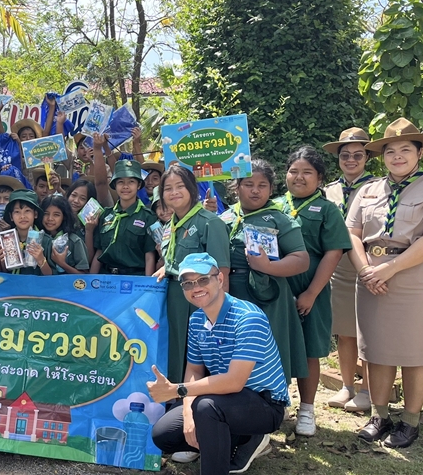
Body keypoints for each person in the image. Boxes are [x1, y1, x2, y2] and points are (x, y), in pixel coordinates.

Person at [148, 253, 289, 475]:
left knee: (207, 407)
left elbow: (234, 381)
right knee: (164, 435)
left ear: (220, 279)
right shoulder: (197, 320)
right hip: (227, 402)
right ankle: (240, 439)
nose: (196, 287)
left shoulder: (248, 318)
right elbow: (195, 371)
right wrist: (187, 414)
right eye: (188, 283)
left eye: (203, 279)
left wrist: (177, 391)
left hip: (264, 403)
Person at [347, 118, 423, 449]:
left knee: (416, 351)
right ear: (382, 156)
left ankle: (410, 421)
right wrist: (367, 269)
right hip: (372, 278)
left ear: (420, 152)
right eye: (390, 151)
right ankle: (380, 416)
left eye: (405, 149)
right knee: (376, 349)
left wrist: (390, 269)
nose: (397, 156)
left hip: (416, 277)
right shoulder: (368, 190)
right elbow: (351, 233)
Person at [276, 147, 352, 436]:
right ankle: (279, 401)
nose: (299, 177)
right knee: (277, 348)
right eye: (294, 171)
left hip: (311, 291)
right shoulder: (275, 205)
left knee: (309, 351)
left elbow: (333, 253)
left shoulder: (328, 210)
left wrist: (310, 293)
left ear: (320, 178)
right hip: (277, 292)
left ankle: (306, 409)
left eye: (307, 172)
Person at [220, 159, 309, 383]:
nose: (255, 190)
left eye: (262, 185)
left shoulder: (279, 219)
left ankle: (273, 400)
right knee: (234, 348)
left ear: (271, 188)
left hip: (268, 295)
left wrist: (268, 266)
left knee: (268, 346)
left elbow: (301, 259)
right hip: (231, 294)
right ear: (237, 187)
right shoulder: (225, 217)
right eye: (249, 184)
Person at [154, 164, 231, 390]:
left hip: (200, 305)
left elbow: (221, 272)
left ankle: (196, 404)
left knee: (199, 357)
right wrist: (164, 268)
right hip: (175, 304)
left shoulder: (209, 222)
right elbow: (175, 260)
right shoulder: (171, 226)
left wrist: (217, 316)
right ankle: (177, 403)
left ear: (191, 189)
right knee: (178, 352)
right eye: (168, 188)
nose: (174, 192)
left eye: (180, 186)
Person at [322, 127, 377, 412]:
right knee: (345, 332)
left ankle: (368, 390)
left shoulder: (380, 187)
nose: (351, 160)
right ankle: (347, 386)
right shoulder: (329, 190)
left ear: (367, 157)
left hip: (370, 266)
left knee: (368, 331)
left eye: (358, 155)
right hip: (339, 269)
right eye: (345, 155)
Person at [91, 159, 158, 276]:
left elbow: (149, 256)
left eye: (131, 181)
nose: (125, 186)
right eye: (120, 182)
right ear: (115, 185)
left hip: (134, 279)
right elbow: (99, 252)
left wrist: (148, 286)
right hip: (106, 279)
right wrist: (91, 280)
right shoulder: (105, 214)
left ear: (139, 185)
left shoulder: (148, 217)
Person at [0, 189, 52, 276]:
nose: (22, 216)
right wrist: (4, 262)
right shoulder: (7, 239)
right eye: (17, 212)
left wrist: (41, 260)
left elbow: (52, 277)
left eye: (27, 211)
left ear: (35, 214)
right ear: (11, 216)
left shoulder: (46, 241)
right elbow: (5, 273)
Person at [40, 193, 89, 274]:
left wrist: (62, 264)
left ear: (64, 217)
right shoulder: (39, 238)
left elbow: (84, 275)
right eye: (46, 213)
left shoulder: (74, 241)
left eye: (56, 215)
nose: (50, 218)